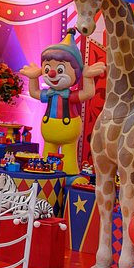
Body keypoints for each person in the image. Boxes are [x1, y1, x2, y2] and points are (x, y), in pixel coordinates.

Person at [20, 34, 103, 174]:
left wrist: (87, 77)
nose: (52, 74)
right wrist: (33, 78)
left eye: (60, 70)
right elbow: (34, 92)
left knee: (69, 154)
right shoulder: (49, 94)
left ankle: (69, 175)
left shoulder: (70, 96)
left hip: (68, 129)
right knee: (47, 156)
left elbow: (88, 93)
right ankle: (45, 173)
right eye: (47, 69)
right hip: (49, 131)